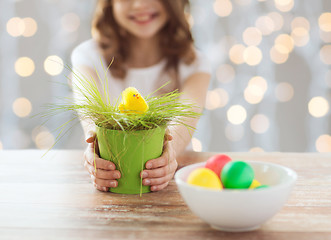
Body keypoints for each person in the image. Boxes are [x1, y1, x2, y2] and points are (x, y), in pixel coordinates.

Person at [71, 0, 211, 192]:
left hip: (172, 185)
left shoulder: (194, 63)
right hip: (114, 185)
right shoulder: (87, 57)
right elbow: (89, 116)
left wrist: (168, 154)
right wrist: (94, 149)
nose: (138, 5)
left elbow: (188, 113)